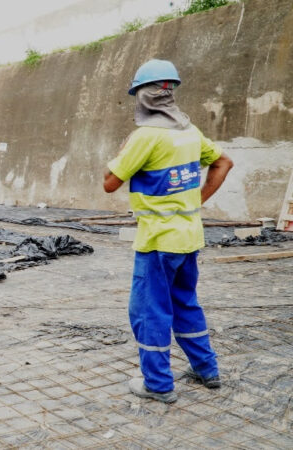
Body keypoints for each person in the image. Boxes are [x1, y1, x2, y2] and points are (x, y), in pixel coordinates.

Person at [103, 59, 234, 403]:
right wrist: (196, 199)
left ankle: (158, 385)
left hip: (158, 241)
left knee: (149, 311)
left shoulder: (146, 136)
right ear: (170, 91)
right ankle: (207, 370)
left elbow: (109, 183)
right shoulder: (190, 132)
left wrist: (123, 151)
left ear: (142, 97)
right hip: (189, 237)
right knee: (185, 303)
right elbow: (224, 162)